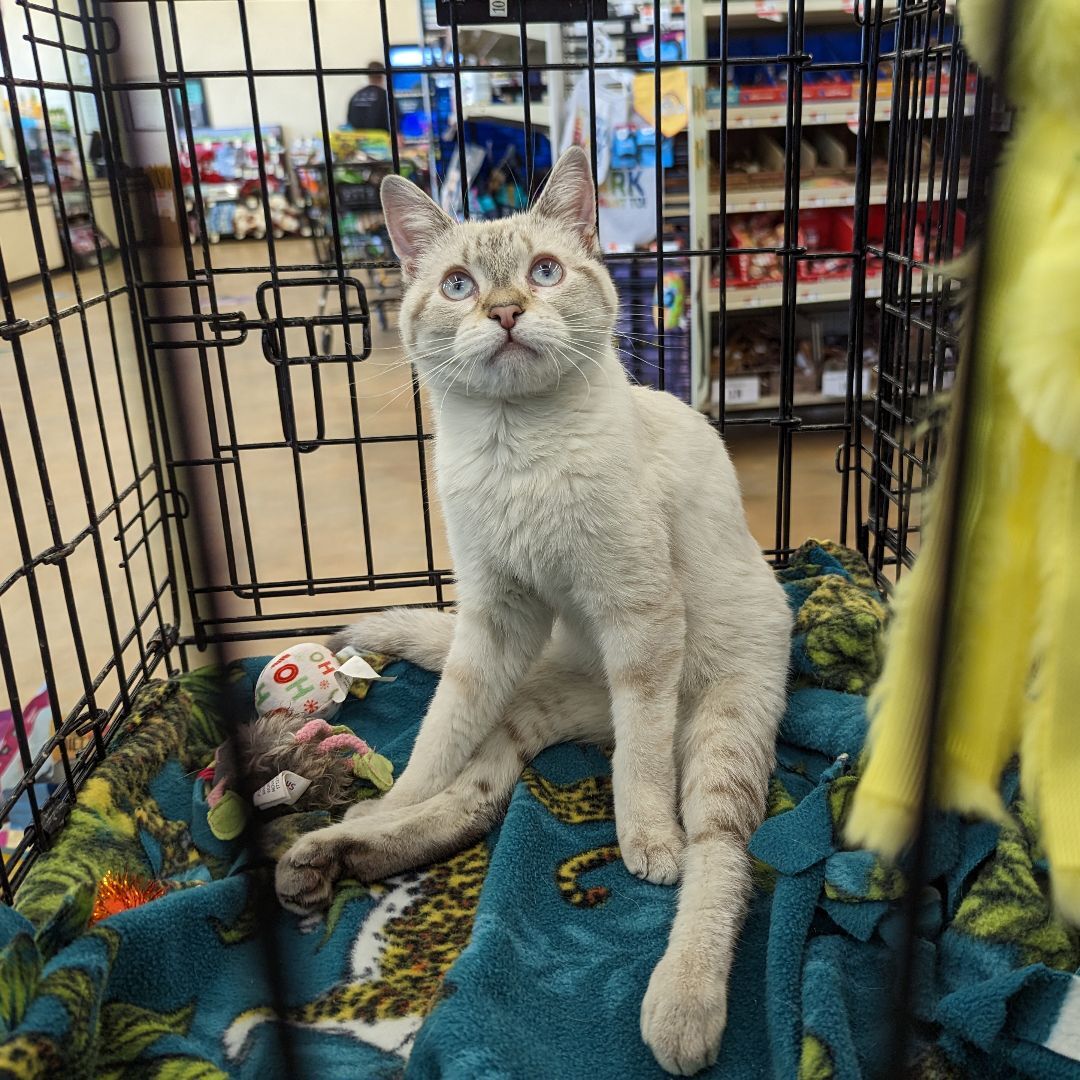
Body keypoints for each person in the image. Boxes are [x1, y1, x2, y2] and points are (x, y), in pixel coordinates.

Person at [347, 62, 390, 132]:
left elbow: (349, 122)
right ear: (383, 75)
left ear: (368, 75)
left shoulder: (356, 95)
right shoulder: (386, 96)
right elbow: (395, 122)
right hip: (381, 141)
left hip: (359, 141)